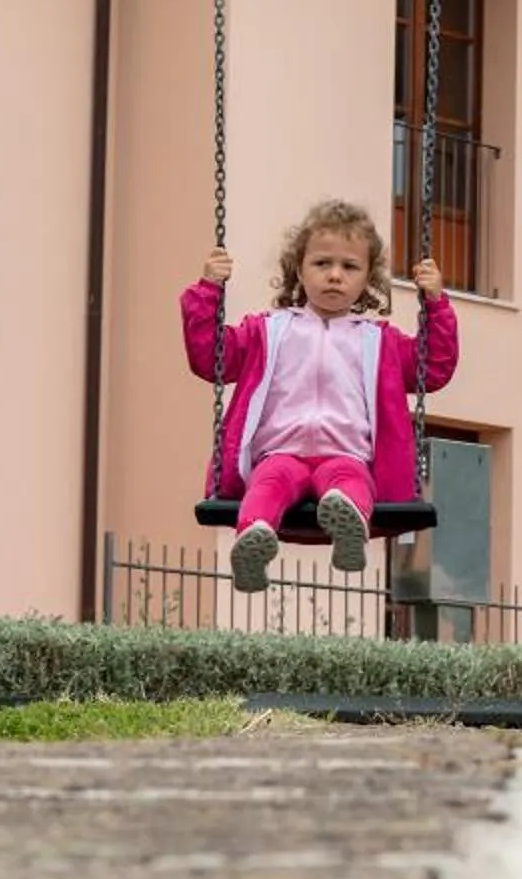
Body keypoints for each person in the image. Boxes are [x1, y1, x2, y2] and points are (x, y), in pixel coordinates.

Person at [182, 198, 458, 593]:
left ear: (367, 278)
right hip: (279, 451)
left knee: (348, 485)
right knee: (268, 485)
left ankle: (348, 530)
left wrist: (435, 304)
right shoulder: (269, 330)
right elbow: (212, 358)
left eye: (349, 267)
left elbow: (432, 367)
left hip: (346, 454)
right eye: (322, 263)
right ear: (300, 268)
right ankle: (254, 541)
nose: (334, 276)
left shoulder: (378, 342)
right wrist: (208, 290)